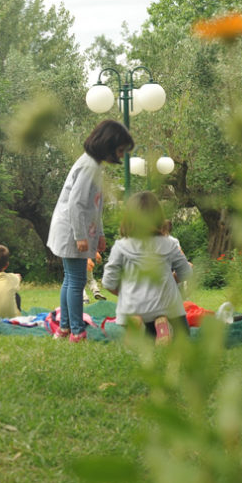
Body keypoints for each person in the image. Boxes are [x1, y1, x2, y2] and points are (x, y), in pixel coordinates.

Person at [46, 119, 134, 342]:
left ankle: (64, 328)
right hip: (72, 231)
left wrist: (101, 233)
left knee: (71, 279)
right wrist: (80, 236)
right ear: (109, 145)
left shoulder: (94, 165)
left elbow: (95, 205)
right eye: (121, 150)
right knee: (76, 281)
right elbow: (76, 203)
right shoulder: (89, 166)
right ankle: (77, 331)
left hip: (76, 229)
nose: (122, 156)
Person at [101, 191, 193, 341]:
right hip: (166, 304)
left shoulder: (120, 247)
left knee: (144, 337)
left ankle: (135, 323)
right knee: (184, 337)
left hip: (133, 305)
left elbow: (108, 282)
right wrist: (174, 277)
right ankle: (160, 323)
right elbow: (186, 273)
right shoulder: (169, 244)